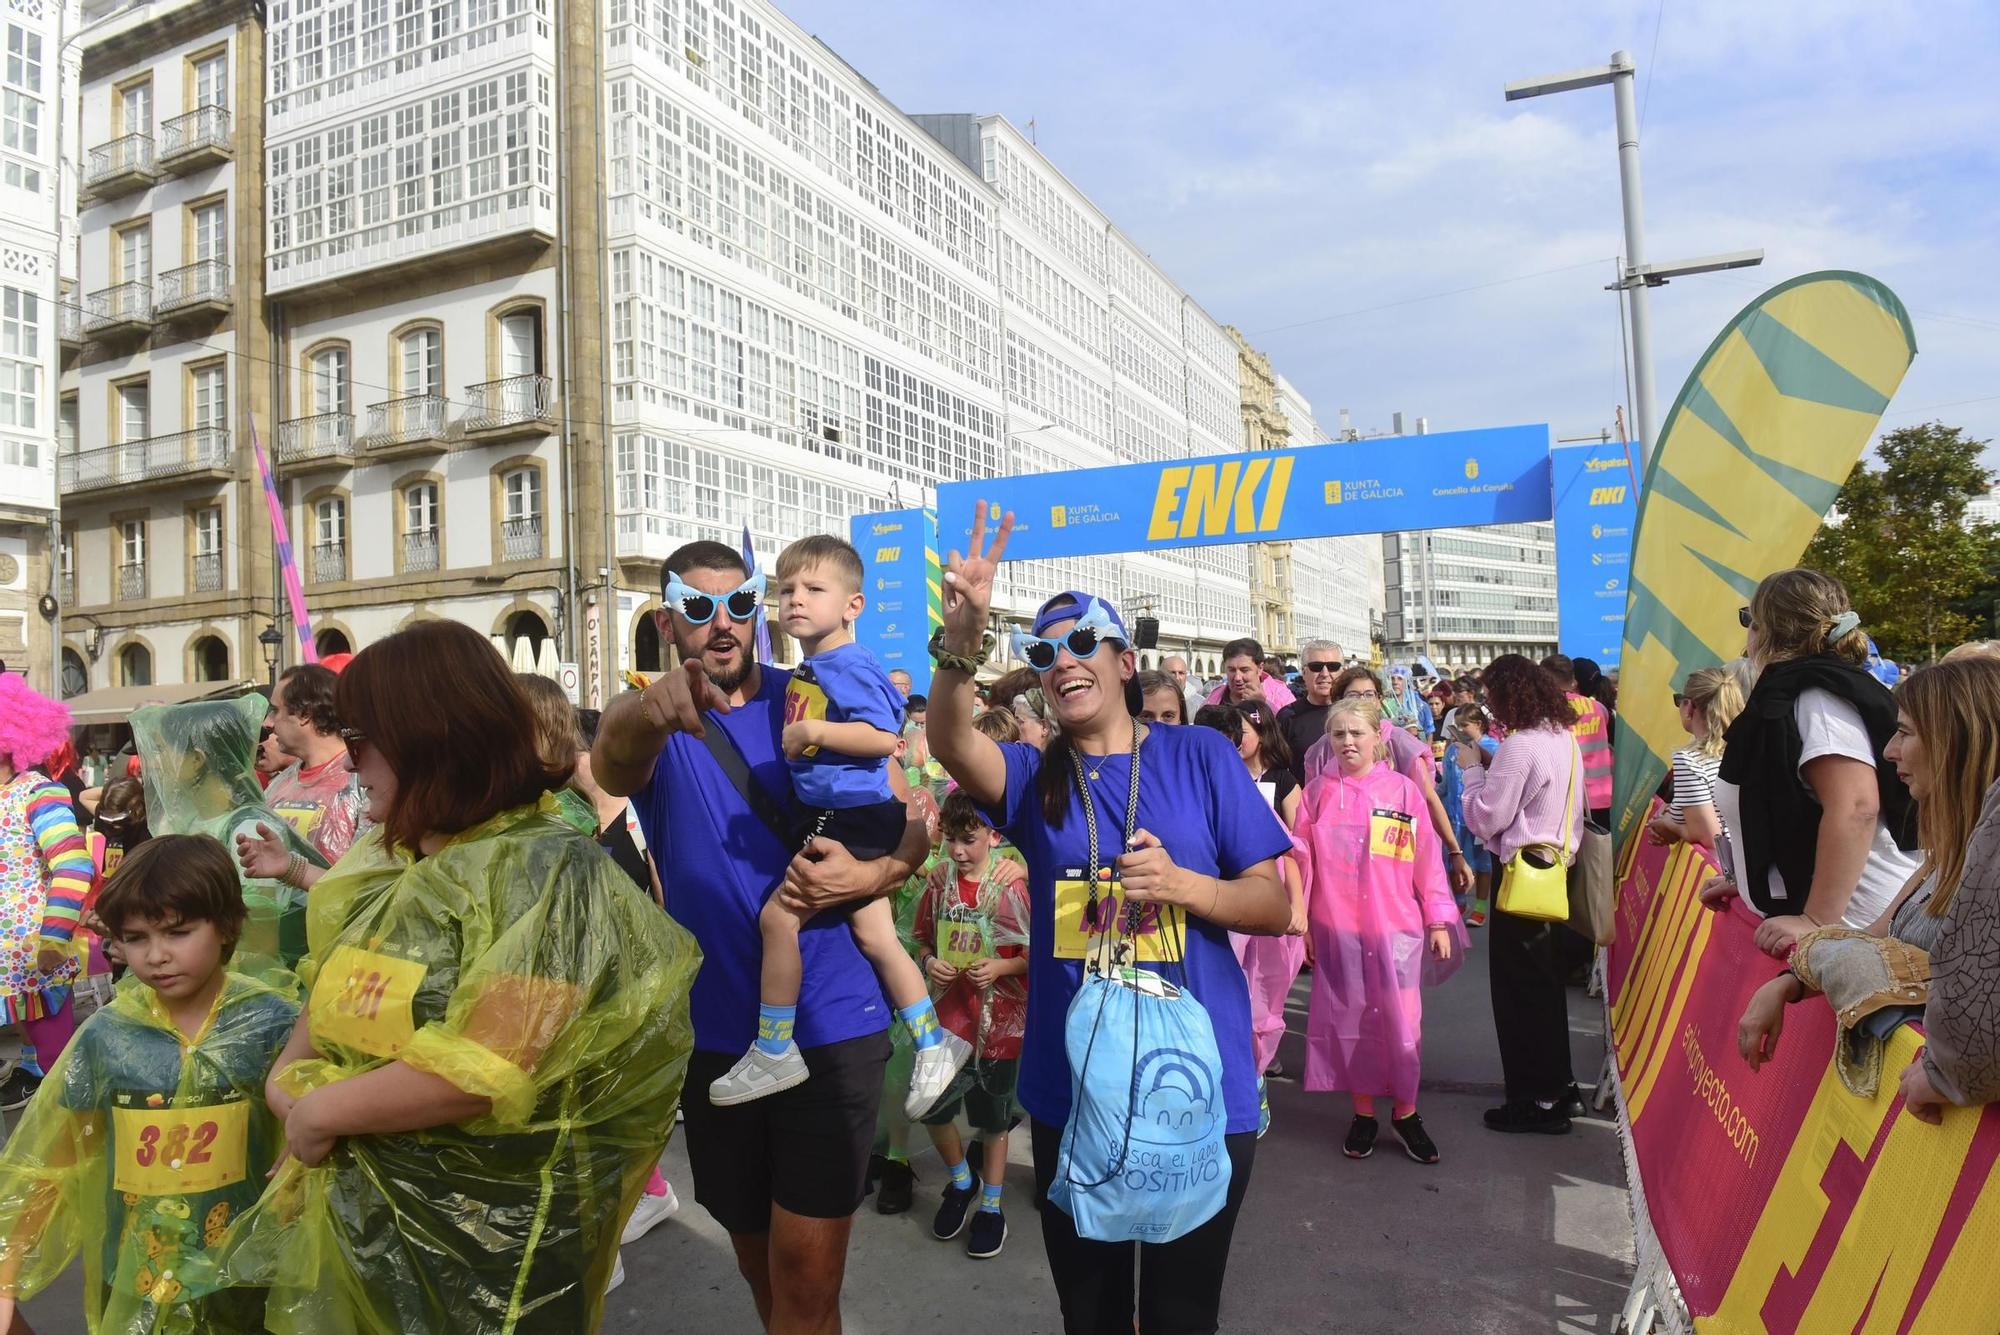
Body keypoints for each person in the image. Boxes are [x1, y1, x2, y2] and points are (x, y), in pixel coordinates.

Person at [210, 620, 699, 1332]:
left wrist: (316, 1110)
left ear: (429, 738)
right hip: (365, 1236)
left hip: (489, 1256)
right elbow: (331, 1003)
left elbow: (486, 1064)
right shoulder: (394, 865)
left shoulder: (546, 872)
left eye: (360, 739)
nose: (349, 764)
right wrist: (288, 1084)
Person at [928, 505, 1292, 1335]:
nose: (1062, 663)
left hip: (1196, 1091)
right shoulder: (1032, 775)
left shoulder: (1199, 754)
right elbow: (951, 741)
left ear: (1124, 661)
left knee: (1180, 1315)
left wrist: (1185, 887)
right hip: (1075, 1092)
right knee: (1089, 1316)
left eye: (1081, 641)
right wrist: (964, 636)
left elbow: (1274, 903)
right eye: (1043, 653)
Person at [591, 539, 934, 1334]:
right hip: (716, 1035)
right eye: (700, 607)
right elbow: (610, 762)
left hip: (830, 1025)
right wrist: (647, 709)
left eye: (740, 603)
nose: (723, 624)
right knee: (758, 1267)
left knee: (807, 1281)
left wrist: (871, 877)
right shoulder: (659, 715)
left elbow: (911, 823)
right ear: (669, 619)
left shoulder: (809, 694)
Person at [711, 535, 971, 1111]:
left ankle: (776, 1048)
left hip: (850, 817)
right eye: (786, 590)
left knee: (779, 918)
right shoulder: (820, 664)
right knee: (876, 936)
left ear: (853, 605)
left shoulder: (847, 663)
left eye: (812, 589)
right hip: (849, 811)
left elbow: (885, 738)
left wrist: (814, 734)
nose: (795, 600)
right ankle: (933, 1041)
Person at [0, 834, 299, 1334]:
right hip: (132, 1273)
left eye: (178, 932)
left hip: (242, 1275)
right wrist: (8, 1272)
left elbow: (303, 1148)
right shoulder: (107, 1036)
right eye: (135, 938)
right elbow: (54, 1163)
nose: (156, 955)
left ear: (227, 926)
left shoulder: (270, 1024)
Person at [1733, 659, 2000, 1113]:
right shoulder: (1950, 854)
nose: (1890, 750)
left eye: (1906, 733)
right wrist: (1790, 981)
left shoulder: (1984, 859)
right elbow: (1878, 936)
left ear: (1956, 740)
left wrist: (1945, 1075)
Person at [1708, 569, 1919, 957]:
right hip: (1846, 931)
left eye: (1748, 618)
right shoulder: (1804, 691)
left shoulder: (1815, 699)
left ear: (1766, 627)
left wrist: (1816, 921)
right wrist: (1753, 877)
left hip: (1855, 932)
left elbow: (1856, 807)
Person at [1296, 697, 1464, 1164]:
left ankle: (1406, 1112)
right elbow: (1302, 866)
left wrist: (1437, 919)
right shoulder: (1317, 794)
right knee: (1350, 1020)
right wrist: (1303, 924)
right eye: (1339, 734)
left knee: (1402, 1024)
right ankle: (1364, 1113)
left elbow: (1426, 859)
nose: (1348, 742)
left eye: (1356, 733)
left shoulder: (1403, 793)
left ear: (1377, 736)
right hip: (1337, 929)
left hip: (1396, 928)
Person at [1457, 654, 1589, 1135]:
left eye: (1492, 696)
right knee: (1544, 989)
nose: (1489, 707)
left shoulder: (1521, 745)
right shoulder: (1562, 738)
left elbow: (1487, 817)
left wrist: (1472, 772)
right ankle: (1559, 1088)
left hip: (1522, 874)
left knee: (1518, 994)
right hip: (1556, 870)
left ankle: (1535, 1100)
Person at [913, 791, 1030, 1260]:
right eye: (951, 840)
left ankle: (992, 1207)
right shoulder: (939, 883)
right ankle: (961, 1182)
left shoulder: (1010, 887)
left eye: (969, 840)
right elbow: (919, 937)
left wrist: (1001, 970)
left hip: (998, 1026)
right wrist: (929, 962)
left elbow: (1033, 953)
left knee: (993, 1120)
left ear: (993, 837)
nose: (958, 851)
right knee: (933, 1108)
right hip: (947, 1023)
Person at [130, 697, 325, 979]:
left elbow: (259, 946)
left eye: (161, 750)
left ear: (197, 759)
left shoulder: (247, 829)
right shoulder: (195, 822)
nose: (154, 763)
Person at [1194, 703, 1308, 1093]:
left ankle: (1249, 1084)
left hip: (1248, 919)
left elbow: (1288, 852)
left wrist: (1299, 907)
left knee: (1252, 999)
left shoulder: (1255, 793)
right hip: (1202, 924)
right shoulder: (1185, 793)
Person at [0, 676, 92, 1110]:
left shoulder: (38, 793)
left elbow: (73, 864)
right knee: (35, 1051)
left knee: (59, 1067)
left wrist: (55, 934)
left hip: (32, 953)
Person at [1304, 668, 1476, 901]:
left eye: (1369, 695)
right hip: (1340, 870)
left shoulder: (1400, 742)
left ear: (1379, 700)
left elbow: (1427, 800)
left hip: (1394, 863)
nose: (1363, 701)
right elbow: (1312, 814)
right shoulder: (1324, 748)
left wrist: (1454, 851)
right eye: (1354, 695)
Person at [234, 665, 367, 895]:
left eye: (275, 711)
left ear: (304, 715)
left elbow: (366, 887)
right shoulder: (279, 785)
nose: (268, 723)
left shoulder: (363, 780)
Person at [1648, 666, 1744, 863]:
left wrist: (1669, 825)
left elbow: (1710, 836)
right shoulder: (1747, 748)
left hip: (1720, 871)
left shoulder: (1690, 761)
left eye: (1679, 701)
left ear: (1689, 707)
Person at [1439, 707, 1498, 927]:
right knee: (1455, 862)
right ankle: (1460, 903)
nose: (1459, 730)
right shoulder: (1452, 750)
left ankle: (1480, 908)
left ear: (1479, 725)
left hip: (1481, 817)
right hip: (1456, 818)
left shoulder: (1492, 747)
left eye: (1464, 725)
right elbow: (1445, 785)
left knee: (1484, 865)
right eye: (1457, 725)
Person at [1543, 655, 1614, 822]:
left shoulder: (1551, 711)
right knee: (1600, 847)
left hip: (1569, 799)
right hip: (1603, 795)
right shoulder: (1599, 708)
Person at [1277, 640, 1342, 788]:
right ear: (1304, 672)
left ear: (1342, 672)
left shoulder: (1356, 714)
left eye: (1332, 667)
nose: (1325, 674)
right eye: (1316, 667)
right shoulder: (1288, 716)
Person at [1207, 637, 1297, 712]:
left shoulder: (1281, 695)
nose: (1237, 677)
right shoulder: (1214, 698)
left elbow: (1291, 728)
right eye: (1232, 670)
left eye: (1244, 670)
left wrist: (1264, 705)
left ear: (1260, 668)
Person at [1384, 666, 1433, 738]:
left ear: (1406, 682)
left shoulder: (1420, 705)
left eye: (1400, 679)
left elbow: (1429, 732)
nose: (1395, 682)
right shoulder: (1385, 706)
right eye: (1392, 679)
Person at [1162, 655, 1204, 723]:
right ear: (1162, 674)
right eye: (1172, 673)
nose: (1177, 677)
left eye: (1181, 673)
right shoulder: (1149, 699)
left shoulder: (1200, 703)